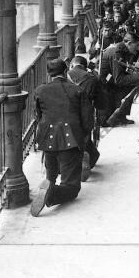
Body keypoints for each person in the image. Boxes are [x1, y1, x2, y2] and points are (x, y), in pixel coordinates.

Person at [31, 58, 88, 217]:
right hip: (70, 140)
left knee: (51, 174)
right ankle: (52, 193)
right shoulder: (77, 90)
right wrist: (82, 139)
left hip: (47, 138)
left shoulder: (40, 90)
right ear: (65, 72)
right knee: (72, 186)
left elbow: (38, 115)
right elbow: (87, 120)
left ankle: (49, 183)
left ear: (49, 74)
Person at [68, 55, 107, 180]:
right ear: (85, 66)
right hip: (85, 116)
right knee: (84, 138)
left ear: (72, 65)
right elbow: (100, 103)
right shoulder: (92, 78)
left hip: (65, 115)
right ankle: (84, 157)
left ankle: (71, 162)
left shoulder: (64, 76)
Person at [99, 33, 139, 126]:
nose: (137, 48)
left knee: (131, 84)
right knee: (131, 83)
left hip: (111, 80)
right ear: (129, 43)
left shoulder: (124, 50)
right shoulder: (117, 52)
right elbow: (119, 79)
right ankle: (112, 117)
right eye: (136, 45)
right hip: (105, 84)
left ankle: (121, 116)